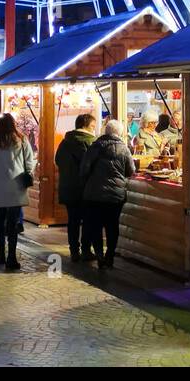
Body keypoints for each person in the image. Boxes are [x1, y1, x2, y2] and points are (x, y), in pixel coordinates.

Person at [79, 119, 136, 269]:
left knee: (96, 226)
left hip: (94, 195)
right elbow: (131, 171)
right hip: (115, 197)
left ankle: (99, 255)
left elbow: (84, 169)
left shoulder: (94, 146)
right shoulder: (124, 149)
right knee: (112, 226)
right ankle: (109, 255)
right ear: (120, 133)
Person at [0, 112, 35, 271]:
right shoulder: (21, 138)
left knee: (0, 220)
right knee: (13, 223)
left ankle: (0, 255)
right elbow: (29, 161)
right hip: (16, 185)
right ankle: (11, 257)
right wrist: (28, 173)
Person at [54, 113, 98, 263]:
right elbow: (91, 166)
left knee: (73, 221)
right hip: (85, 189)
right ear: (87, 126)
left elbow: (58, 160)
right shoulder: (91, 142)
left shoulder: (65, 142)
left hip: (68, 188)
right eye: (93, 126)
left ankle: (74, 251)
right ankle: (86, 250)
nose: (94, 129)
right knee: (87, 220)